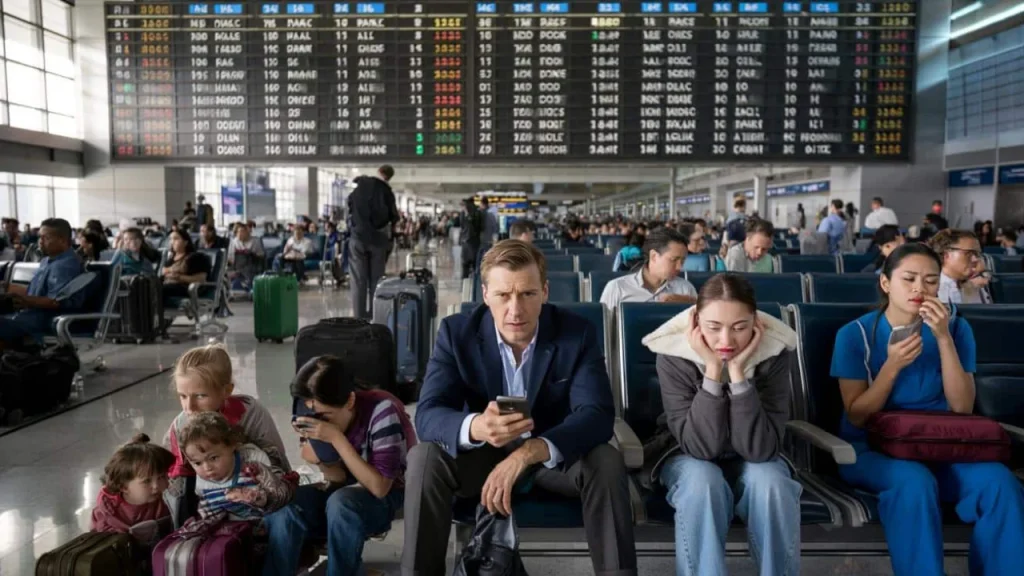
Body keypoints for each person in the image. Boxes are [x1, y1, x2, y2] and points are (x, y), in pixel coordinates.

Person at [403, 240, 637, 576]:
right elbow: (428, 415)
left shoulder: (576, 333)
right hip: (481, 457)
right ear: (485, 295)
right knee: (423, 458)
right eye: (503, 295)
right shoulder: (457, 334)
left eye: (527, 294)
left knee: (605, 459)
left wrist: (530, 451)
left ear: (545, 292)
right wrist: (476, 427)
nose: (515, 310)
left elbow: (597, 414)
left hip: (552, 459)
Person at [830, 242, 1024, 576]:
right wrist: (892, 366)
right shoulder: (854, 335)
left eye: (931, 280)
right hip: (871, 450)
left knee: (999, 484)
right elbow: (857, 416)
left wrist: (943, 338)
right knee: (914, 482)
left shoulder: (957, 328)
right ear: (886, 283)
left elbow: (961, 407)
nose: (920, 288)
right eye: (909, 279)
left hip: (941, 444)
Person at [642, 273, 802, 576]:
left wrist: (739, 376)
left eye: (739, 327)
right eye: (713, 327)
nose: (726, 341)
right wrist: (713, 371)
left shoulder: (774, 351)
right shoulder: (673, 354)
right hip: (686, 453)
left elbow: (761, 450)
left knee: (772, 484)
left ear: (756, 323)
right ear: (695, 322)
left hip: (755, 453)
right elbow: (700, 448)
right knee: (702, 483)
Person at [264, 356, 415, 576]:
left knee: (341, 503)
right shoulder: (312, 413)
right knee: (284, 501)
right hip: (342, 492)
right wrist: (320, 454)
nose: (320, 421)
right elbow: (336, 479)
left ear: (350, 401)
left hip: (387, 495)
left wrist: (336, 438)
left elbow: (380, 487)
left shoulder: (382, 410)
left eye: (326, 416)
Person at [178, 412, 295, 530]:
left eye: (213, 458)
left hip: (271, 516)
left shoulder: (253, 461)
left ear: (232, 444)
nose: (207, 468)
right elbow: (211, 515)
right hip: (241, 528)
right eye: (197, 463)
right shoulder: (203, 485)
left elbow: (280, 494)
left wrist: (256, 497)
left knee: (285, 515)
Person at [0, 218, 86, 346]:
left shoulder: (65, 266)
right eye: (40, 237)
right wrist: (7, 287)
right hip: (31, 316)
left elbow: (55, 302)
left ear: (62, 241)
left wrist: (23, 300)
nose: (40, 241)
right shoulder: (48, 260)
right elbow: (37, 293)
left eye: (46, 238)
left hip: (45, 320)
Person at [91, 433, 175, 535]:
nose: (156, 486)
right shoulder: (106, 515)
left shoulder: (168, 500)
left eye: (161, 477)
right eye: (146, 481)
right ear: (123, 486)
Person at [600, 227, 697, 312]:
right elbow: (605, 326)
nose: (679, 267)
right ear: (654, 256)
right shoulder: (617, 288)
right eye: (673, 260)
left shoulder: (685, 289)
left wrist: (691, 303)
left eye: (683, 261)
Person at [348, 165, 399, 319]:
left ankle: (359, 318)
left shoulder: (359, 187)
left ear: (379, 171)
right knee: (376, 281)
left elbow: (349, 207)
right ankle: (375, 317)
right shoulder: (386, 191)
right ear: (390, 177)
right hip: (378, 239)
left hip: (358, 238)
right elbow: (394, 217)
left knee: (358, 281)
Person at [928, 229, 986, 305]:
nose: (975, 259)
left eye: (977, 254)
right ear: (946, 255)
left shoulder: (974, 286)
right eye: (969, 253)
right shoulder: (932, 290)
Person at [161, 227, 212, 302]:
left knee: (158, 289)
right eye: (170, 239)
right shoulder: (170, 259)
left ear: (185, 242)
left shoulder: (196, 257)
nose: (172, 242)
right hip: (169, 285)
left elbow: (201, 278)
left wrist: (179, 277)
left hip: (186, 288)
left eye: (176, 239)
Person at [459, 197, 484, 279]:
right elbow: (481, 227)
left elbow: (462, 225)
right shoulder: (478, 212)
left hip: (466, 242)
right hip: (475, 242)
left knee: (465, 267)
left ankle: (464, 284)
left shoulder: (464, 212)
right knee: (476, 266)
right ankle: (476, 284)